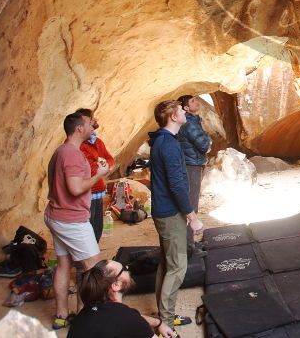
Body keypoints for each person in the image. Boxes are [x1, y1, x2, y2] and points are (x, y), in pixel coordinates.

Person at [44, 112, 111, 329]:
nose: (94, 127)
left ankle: (62, 315)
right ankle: (89, 319)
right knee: (94, 268)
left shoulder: (60, 151)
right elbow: (74, 189)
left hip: (56, 215)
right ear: (79, 128)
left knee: (64, 265)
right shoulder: (72, 154)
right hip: (71, 220)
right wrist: (98, 175)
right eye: (90, 124)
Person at [148, 100, 204, 330]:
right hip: (170, 214)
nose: (184, 111)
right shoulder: (169, 145)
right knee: (177, 267)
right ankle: (167, 324)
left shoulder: (162, 140)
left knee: (167, 263)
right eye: (181, 110)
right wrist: (192, 216)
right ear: (172, 116)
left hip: (164, 211)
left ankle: (165, 316)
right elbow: (178, 185)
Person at [69, 259, 176, 338]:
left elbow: (123, 318)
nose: (128, 271)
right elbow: (129, 319)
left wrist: (158, 323)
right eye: (124, 269)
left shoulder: (82, 316)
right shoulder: (131, 321)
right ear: (116, 285)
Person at [176, 95, 211, 247]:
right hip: (191, 166)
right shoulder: (189, 123)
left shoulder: (192, 121)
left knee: (189, 204)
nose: (197, 102)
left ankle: (187, 244)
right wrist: (209, 140)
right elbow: (204, 145)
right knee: (191, 206)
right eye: (192, 101)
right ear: (185, 108)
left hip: (190, 164)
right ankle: (188, 246)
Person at [75, 108, 115, 243]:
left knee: (97, 225)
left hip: (98, 190)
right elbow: (89, 170)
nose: (92, 125)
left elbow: (109, 158)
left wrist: (104, 166)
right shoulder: (79, 145)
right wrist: (102, 167)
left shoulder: (98, 142)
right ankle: (85, 261)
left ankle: (93, 256)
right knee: (87, 227)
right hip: (87, 191)